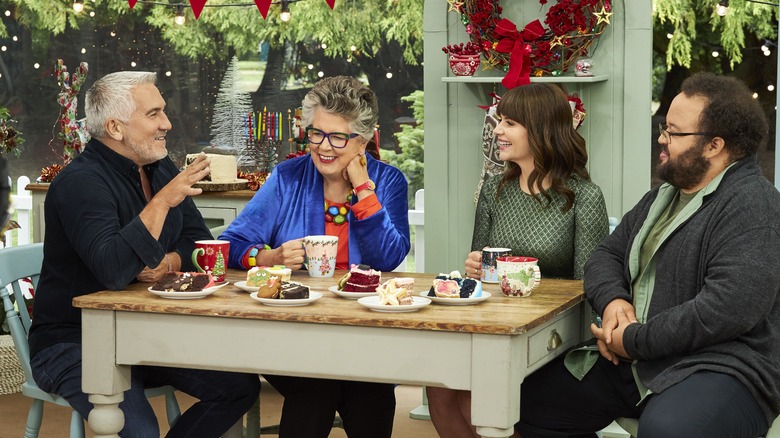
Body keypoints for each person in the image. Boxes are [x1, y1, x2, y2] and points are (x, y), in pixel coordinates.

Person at [514, 72, 780, 438]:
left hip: (723, 367)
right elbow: (605, 256)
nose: (662, 138)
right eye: (664, 128)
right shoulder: (663, 196)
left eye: (674, 132)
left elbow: (725, 309)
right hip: (638, 358)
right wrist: (612, 303)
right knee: (525, 401)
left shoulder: (753, 204)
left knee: (670, 430)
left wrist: (632, 339)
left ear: (715, 145)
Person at [28, 71, 260, 437]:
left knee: (238, 388)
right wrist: (164, 201)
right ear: (116, 127)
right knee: (139, 429)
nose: (166, 123)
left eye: (163, 111)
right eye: (153, 114)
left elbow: (198, 242)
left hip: (144, 332)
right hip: (74, 340)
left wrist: (167, 262)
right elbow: (115, 271)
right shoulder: (80, 183)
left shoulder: (159, 167)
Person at [220, 75, 410, 438]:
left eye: (339, 137)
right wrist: (267, 256)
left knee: (370, 392)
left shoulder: (388, 182)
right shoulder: (287, 177)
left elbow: (389, 257)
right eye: (316, 133)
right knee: (315, 386)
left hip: (361, 332)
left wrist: (363, 190)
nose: (324, 147)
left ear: (364, 140)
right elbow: (232, 243)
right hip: (292, 329)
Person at [426, 82, 609, 437]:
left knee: (474, 402)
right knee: (441, 386)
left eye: (509, 122)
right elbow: (478, 278)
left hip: (553, 338)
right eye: (500, 121)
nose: (498, 131)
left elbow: (589, 290)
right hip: (496, 327)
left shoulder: (584, 197)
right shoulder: (495, 190)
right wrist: (474, 268)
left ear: (540, 130)